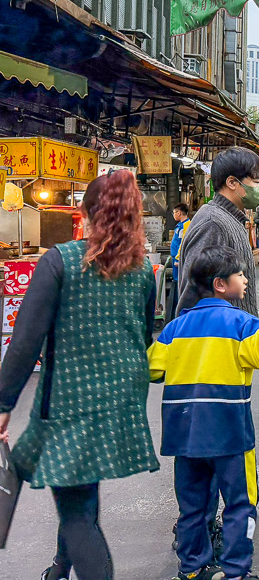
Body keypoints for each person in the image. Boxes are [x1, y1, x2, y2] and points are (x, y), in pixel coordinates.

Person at [0, 170, 158, 580]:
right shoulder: (142, 270)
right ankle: (58, 570)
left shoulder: (61, 260)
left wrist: (2, 404)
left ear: (87, 213)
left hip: (72, 401)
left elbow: (25, 342)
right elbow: (143, 334)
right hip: (122, 396)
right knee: (76, 486)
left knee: (77, 511)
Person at [149, 246, 259, 580]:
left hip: (185, 437)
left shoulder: (174, 329)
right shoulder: (242, 324)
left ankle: (193, 570)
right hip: (231, 436)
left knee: (193, 507)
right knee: (240, 505)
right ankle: (236, 572)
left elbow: (152, 370)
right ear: (221, 284)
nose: (245, 279)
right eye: (241, 274)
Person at [177, 147, 259, 317]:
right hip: (218, 339)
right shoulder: (213, 223)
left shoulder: (231, 219)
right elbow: (193, 294)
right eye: (256, 182)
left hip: (234, 336)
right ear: (232, 182)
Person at [169, 202, 191, 316]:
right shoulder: (180, 225)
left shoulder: (187, 225)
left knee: (180, 285)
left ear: (179, 213)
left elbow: (182, 244)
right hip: (175, 259)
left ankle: (181, 311)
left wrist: (178, 259)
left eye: (174, 213)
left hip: (179, 261)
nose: (173, 215)